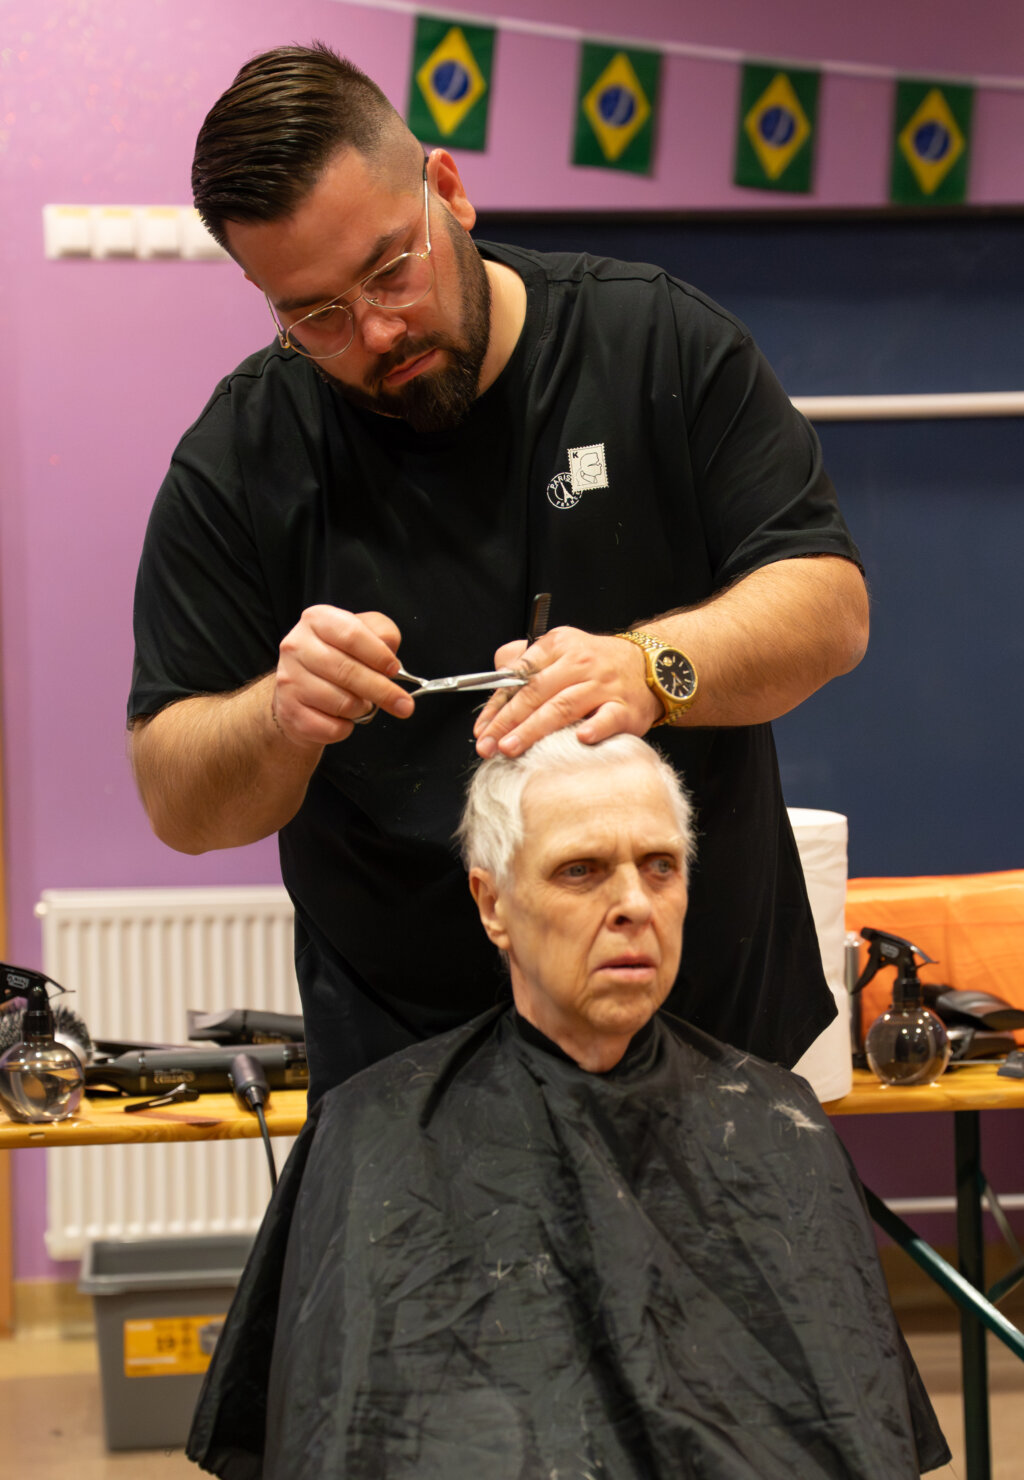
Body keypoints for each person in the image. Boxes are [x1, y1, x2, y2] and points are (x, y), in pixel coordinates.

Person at [128, 43, 870, 1102]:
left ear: (448, 188)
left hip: (709, 1038)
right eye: (317, 315)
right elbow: (177, 797)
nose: (377, 328)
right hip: (408, 1078)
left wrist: (652, 667)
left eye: (392, 268)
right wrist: (279, 718)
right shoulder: (243, 458)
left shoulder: (654, 342)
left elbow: (829, 605)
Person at [186, 732, 948, 1480]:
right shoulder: (372, 1130)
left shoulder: (778, 1121)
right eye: (581, 870)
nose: (634, 905)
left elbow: (851, 1419)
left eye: (661, 867)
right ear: (493, 903)